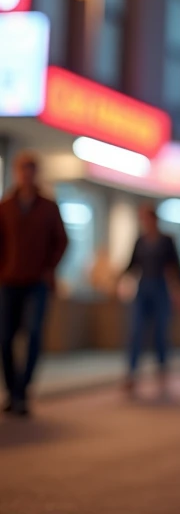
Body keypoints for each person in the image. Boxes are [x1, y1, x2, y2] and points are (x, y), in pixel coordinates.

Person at [0, 151, 68, 416]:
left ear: (36, 172)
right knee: (5, 337)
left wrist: (49, 269)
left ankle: (23, 392)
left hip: (37, 283)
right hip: (9, 281)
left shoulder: (48, 207)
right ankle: (12, 390)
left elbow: (61, 241)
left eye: (31, 168)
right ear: (18, 172)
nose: (26, 173)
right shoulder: (5, 206)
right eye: (22, 168)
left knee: (34, 335)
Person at [123, 203, 180, 397]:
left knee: (160, 333)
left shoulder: (166, 241)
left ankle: (162, 375)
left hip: (160, 289)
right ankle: (131, 375)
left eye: (146, 218)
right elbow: (131, 265)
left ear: (154, 219)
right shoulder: (140, 241)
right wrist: (117, 278)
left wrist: (178, 291)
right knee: (136, 331)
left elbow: (177, 267)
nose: (144, 222)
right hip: (143, 288)